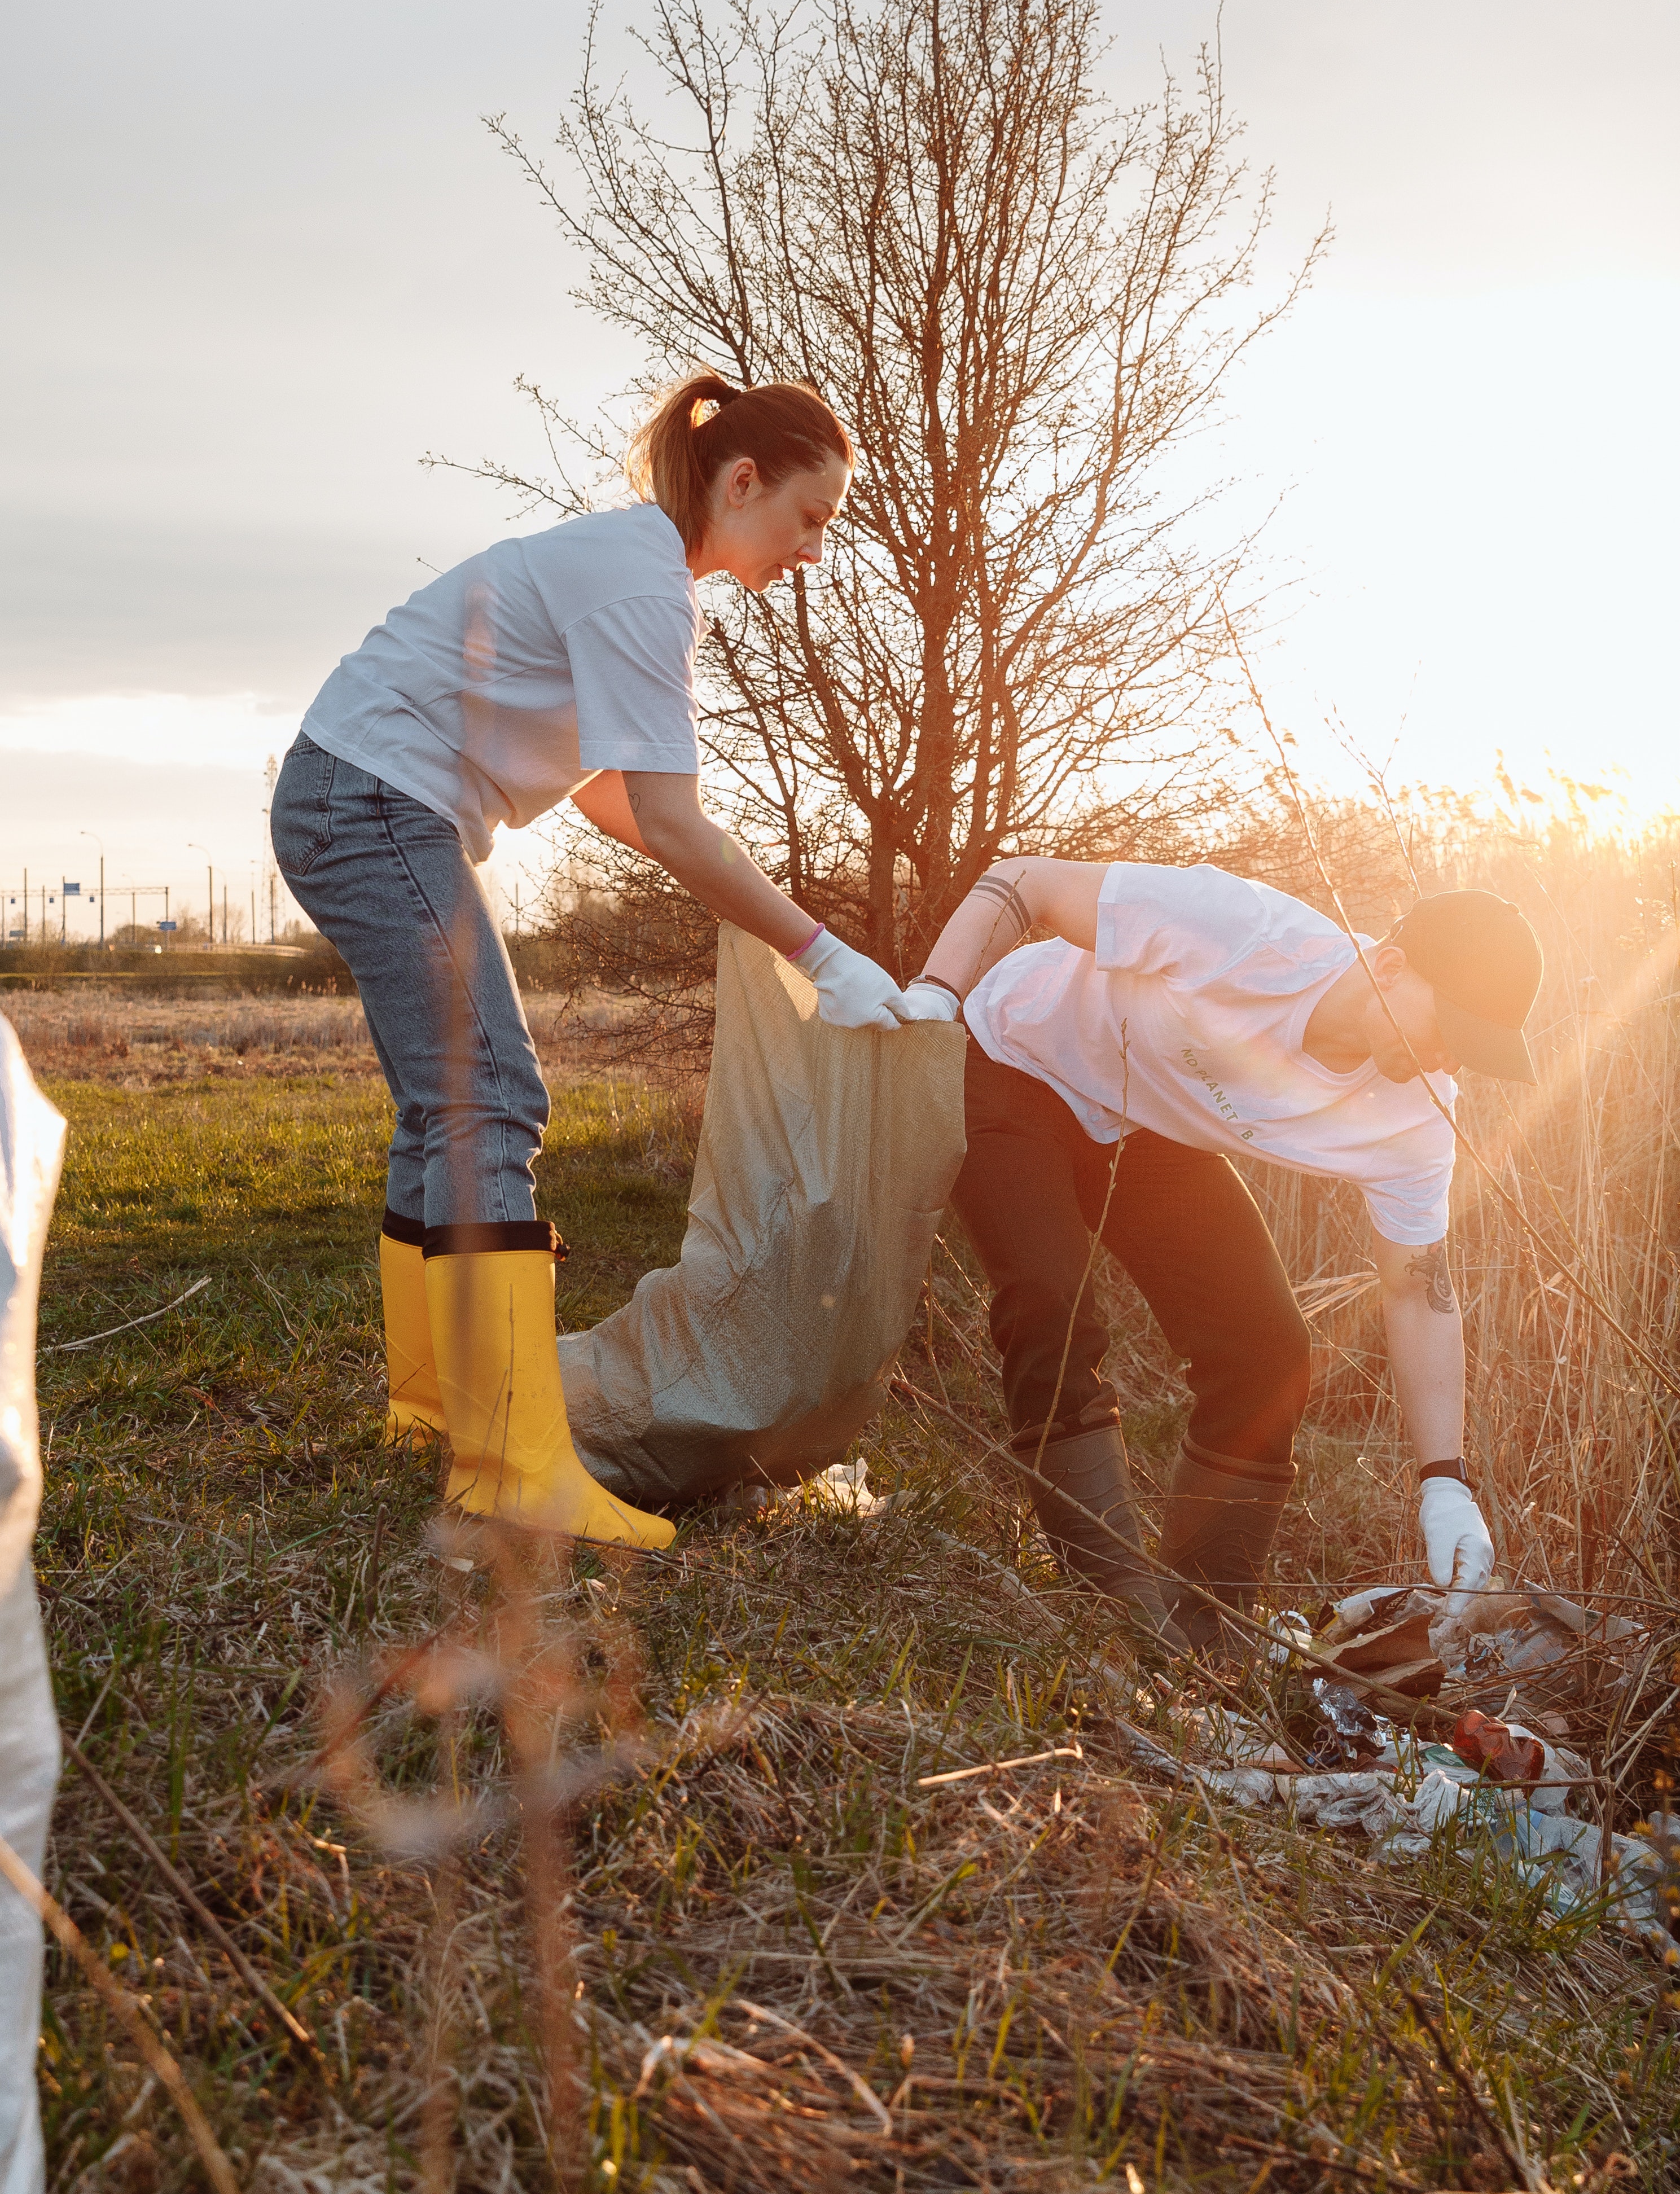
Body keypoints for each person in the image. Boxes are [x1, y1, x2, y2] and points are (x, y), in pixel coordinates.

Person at [271, 370, 922, 1554]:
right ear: (740, 481)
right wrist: (818, 948)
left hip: (356, 795)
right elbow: (669, 821)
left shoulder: (638, 572)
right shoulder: (640, 587)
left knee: (448, 1106)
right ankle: (511, 1463)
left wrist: (757, 914)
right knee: (490, 1096)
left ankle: (434, 1419)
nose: (813, 550)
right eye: (810, 517)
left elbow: (619, 801)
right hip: (372, 799)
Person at [904, 860, 1543, 1647]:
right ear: (1387, 966)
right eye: (1446, 1027)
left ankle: (1201, 1628)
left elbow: (1417, 1289)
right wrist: (937, 991)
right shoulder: (1244, 930)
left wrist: (1445, 1482)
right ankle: (1113, 1613)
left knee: (1267, 1351)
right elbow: (1024, 881)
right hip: (1016, 1058)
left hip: (1145, 1125)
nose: (1447, 1059)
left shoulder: (1415, 1120)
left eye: (1468, 1049)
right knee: (1049, 1299)